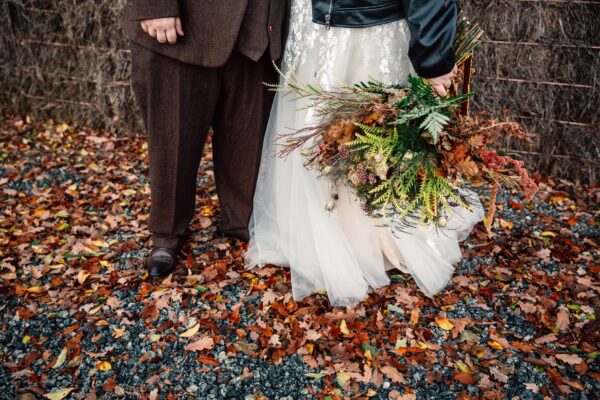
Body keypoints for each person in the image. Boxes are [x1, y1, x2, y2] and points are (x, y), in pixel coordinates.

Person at [246, 0, 485, 307]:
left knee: (367, 128)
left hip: (370, 25)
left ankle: (372, 243)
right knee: (317, 127)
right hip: (313, 23)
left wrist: (434, 55)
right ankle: (316, 237)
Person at [124, 1, 289, 277]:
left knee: (251, 143)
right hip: (182, 29)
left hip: (261, 27)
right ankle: (167, 233)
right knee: (172, 140)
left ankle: (244, 222)